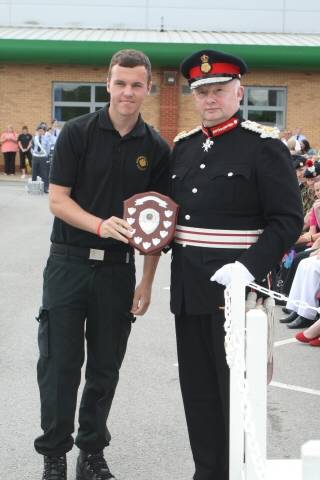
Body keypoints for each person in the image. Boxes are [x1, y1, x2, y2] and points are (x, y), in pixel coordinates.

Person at [34, 49, 170, 480]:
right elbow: (58, 200)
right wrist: (99, 225)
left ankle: (91, 452)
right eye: (120, 83)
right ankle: (54, 454)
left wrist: (147, 282)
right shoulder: (77, 133)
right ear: (108, 84)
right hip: (68, 265)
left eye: (136, 84)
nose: (127, 92)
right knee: (59, 365)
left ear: (148, 88)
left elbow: (157, 220)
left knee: (105, 367)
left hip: (117, 271)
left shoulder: (156, 148)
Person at [170, 49, 303, 480]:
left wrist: (249, 267)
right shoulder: (184, 148)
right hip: (189, 292)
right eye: (202, 91)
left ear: (239, 92)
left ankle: (239, 473)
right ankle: (206, 473)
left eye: (219, 90)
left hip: (238, 293)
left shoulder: (263, 147)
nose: (210, 98)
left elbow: (286, 220)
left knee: (237, 397)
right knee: (199, 395)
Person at [31, 125, 51, 193]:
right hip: (35, 157)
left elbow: (48, 148)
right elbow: (32, 147)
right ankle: (33, 188)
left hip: (43, 157)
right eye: (39, 131)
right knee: (34, 172)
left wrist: (45, 155)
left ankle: (45, 188)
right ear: (37, 131)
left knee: (44, 173)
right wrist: (33, 154)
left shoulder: (46, 139)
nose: (40, 132)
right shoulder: (34, 138)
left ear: (44, 132)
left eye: (42, 131)